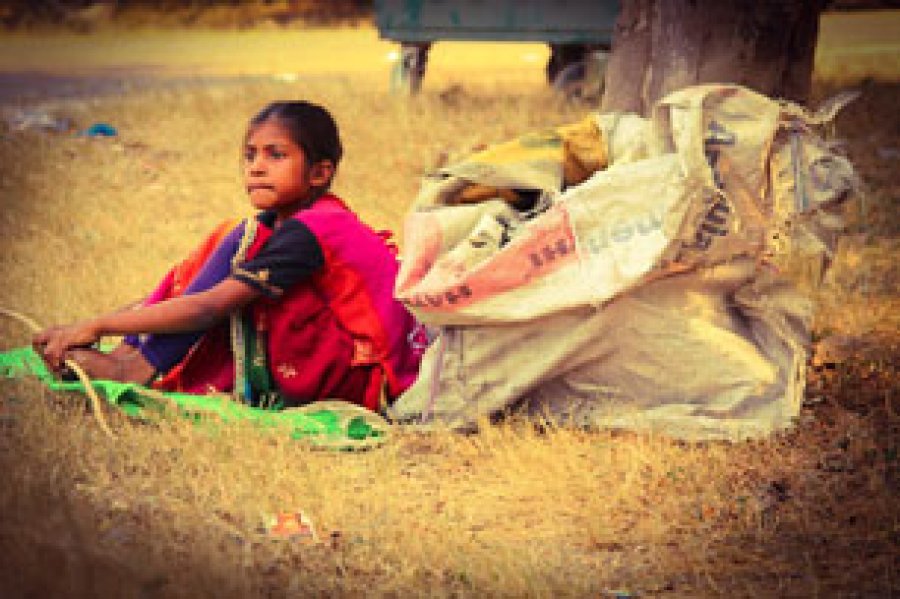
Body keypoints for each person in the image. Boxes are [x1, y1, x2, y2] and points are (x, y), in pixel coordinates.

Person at [33, 101, 423, 411]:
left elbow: (207, 308)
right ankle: (130, 356)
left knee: (237, 257)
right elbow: (191, 294)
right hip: (344, 361)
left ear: (319, 174)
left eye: (276, 155)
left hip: (365, 377)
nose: (256, 167)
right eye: (250, 155)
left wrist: (99, 325)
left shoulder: (313, 230)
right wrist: (91, 327)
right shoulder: (283, 224)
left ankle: (136, 366)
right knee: (237, 240)